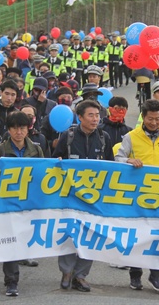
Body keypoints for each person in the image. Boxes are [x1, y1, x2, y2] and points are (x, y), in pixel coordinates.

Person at [115, 99, 159, 292]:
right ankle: (135, 276)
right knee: (138, 237)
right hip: (136, 197)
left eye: (157, 119)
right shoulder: (130, 136)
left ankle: (156, 275)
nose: (154, 123)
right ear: (143, 117)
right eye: (150, 119)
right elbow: (117, 159)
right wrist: (129, 160)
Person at [52, 100, 114, 293]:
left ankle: (81, 276)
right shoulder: (68, 137)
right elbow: (55, 161)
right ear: (80, 117)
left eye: (97, 115)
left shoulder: (104, 138)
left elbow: (112, 167)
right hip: (70, 197)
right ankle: (67, 272)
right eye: (91, 115)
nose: (95, 119)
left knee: (90, 237)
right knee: (70, 235)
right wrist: (59, 161)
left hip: (94, 199)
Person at [0, 111, 45, 296]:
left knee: (24, 239)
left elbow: (44, 174)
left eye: (22, 128)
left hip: (29, 203)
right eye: (14, 128)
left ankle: (21, 263)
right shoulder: (1, 151)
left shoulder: (36, 150)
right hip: (8, 203)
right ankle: (11, 281)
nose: (18, 132)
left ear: (28, 129)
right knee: (10, 240)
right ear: (9, 130)